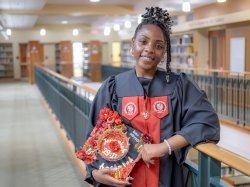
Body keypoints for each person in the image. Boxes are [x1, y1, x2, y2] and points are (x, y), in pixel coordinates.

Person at [84, 7, 220, 187]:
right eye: (143, 42)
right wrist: (95, 174)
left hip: (166, 179)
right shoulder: (113, 88)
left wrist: (164, 146)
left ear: (164, 52)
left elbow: (207, 122)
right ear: (133, 45)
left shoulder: (179, 86)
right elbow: (93, 137)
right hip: (122, 181)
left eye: (158, 46)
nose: (150, 49)